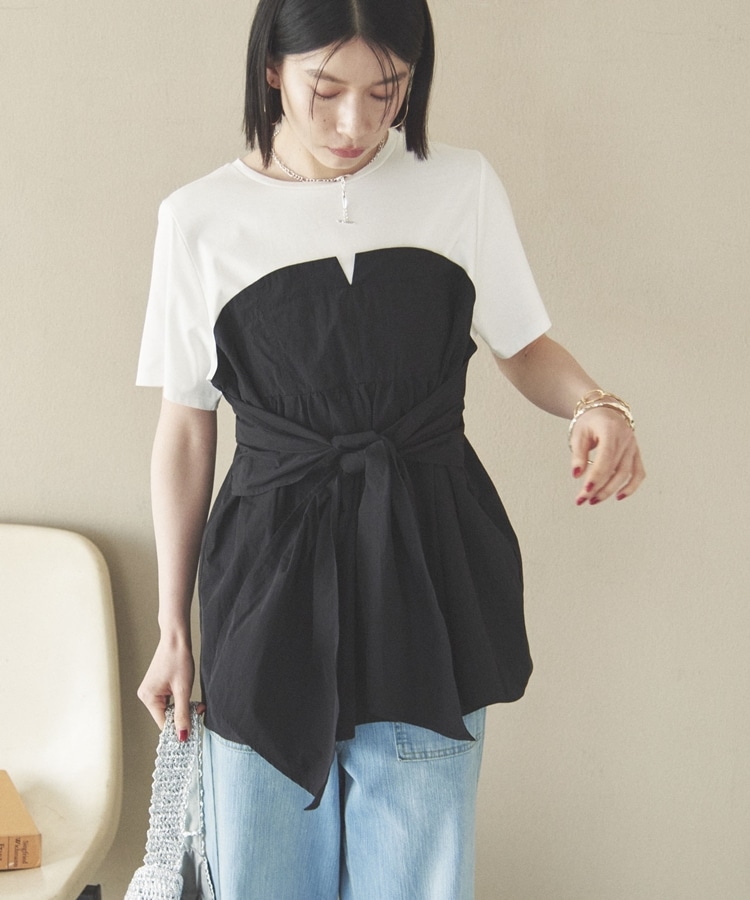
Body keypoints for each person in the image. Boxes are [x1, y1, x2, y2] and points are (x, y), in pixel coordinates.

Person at [135, 0, 645, 897]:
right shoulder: (199, 219)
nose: (355, 124)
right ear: (272, 69)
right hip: (265, 589)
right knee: (260, 877)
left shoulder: (460, 186)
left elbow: (523, 344)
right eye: (326, 89)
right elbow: (186, 428)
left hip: (428, 570)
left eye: (387, 92)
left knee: (418, 878)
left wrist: (595, 404)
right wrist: (174, 630)